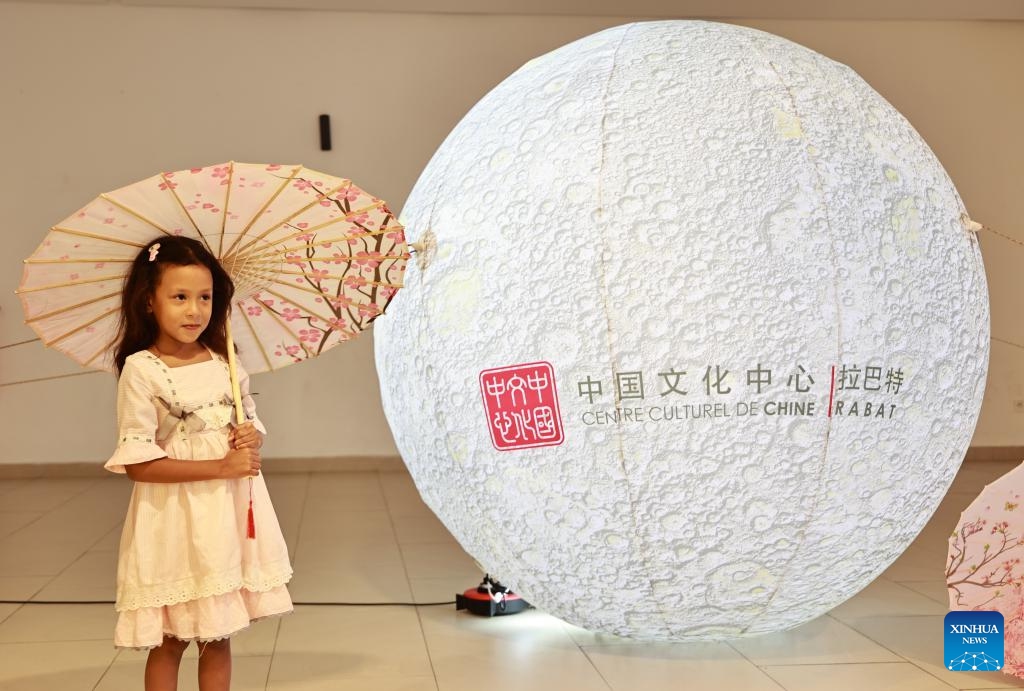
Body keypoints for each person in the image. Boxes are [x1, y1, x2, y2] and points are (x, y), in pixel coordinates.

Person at [105, 236, 293, 691]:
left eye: (205, 297)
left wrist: (250, 433)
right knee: (170, 640)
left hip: (223, 514)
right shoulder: (143, 370)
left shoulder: (224, 360)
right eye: (180, 297)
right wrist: (221, 468)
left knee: (218, 635)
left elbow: (248, 420)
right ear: (150, 301)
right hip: (173, 518)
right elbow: (139, 465)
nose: (194, 311)